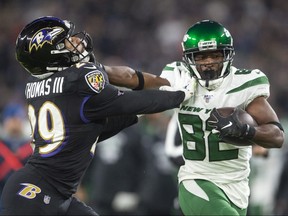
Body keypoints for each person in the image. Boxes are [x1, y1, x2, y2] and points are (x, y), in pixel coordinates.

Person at [0, 16, 193, 215]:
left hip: (48, 191)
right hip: (34, 194)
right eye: (65, 40)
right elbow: (127, 102)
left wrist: (153, 95)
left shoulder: (36, 84)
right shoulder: (78, 80)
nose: (76, 42)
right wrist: (182, 94)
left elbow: (88, 130)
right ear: (51, 53)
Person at [106, 20, 285, 215]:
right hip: (196, 180)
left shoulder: (243, 85)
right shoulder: (179, 79)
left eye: (215, 55)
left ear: (227, 54)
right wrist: (99, 71)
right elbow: (134, 78)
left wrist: (247, 130)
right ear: (189, 58)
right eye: (201, 57)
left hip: (236, 185)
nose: (208, 62)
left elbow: (277, 136)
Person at [0, 103, 33, 209]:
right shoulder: (2, 145)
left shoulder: (31, 146)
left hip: (26, 197)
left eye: (18, 118)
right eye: (12, 118)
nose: (16, 122)